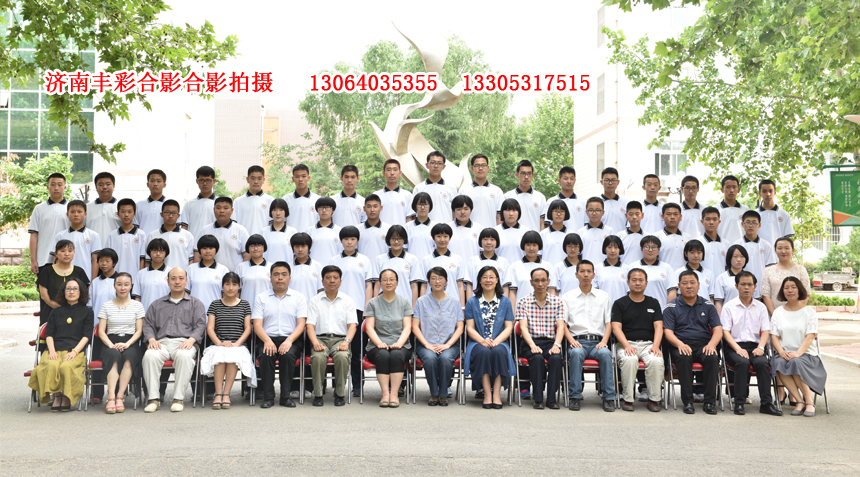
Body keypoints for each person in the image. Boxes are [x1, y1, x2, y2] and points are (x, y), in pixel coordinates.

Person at [142, 267, 206, 413]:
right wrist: (151, 339)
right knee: (150, 356)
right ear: (168, 281)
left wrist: (191, 340)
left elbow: (201, 325)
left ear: (186, 281)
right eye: (173, 278)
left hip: (184, 342)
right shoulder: (157, 304)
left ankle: (178, 399)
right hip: (162, 343)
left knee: (184, 357)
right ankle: (153, 399)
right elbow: (148, 324)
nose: (177, 281)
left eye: (181, 278)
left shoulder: (195, 303)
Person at [720, 271, 782, 416]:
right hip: (734, 347)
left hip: (755, 347)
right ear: (736, 286)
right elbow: (725, 332)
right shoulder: (729, 307)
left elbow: (766, 330)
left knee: (762, 363)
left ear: (755, 287)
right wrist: (737, 349)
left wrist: (761, 347)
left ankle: (766, 403)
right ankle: (739, 402)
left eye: (750, 284)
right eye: (743, 284)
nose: (746, 287)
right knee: (742, 362)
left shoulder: (761, 307)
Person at [662, 270, 722, 414]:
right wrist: (680, 344)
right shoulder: (671, 307)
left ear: (699, 285)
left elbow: (718, 330)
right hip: (680, 344)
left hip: (704, 344)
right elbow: (668, 332)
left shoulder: (708, 305)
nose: (689, 286)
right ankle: (688, 401)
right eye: (685, 283)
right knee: (683, 357)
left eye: (692, 283)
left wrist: (711, 345)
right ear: (679, 286)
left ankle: (709, 402)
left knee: (712, 357)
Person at [28, 277, 92, 411]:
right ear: (63, 292)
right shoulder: (55, 312)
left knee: (66, 367)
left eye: (75, 289)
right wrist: (52, 351)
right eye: (68, 289)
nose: (71, 292)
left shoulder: (87, 312)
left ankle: (67, 396)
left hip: (75, 351)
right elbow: (49, 334)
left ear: (81, 291)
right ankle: (57, 396)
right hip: (55, 349)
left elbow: (86, 336)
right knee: (52, 365)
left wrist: (74, 352)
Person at [560, 260, 616, 412]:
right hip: (577, 341)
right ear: (576, 274)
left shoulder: (603, 296)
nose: (586, 274)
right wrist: (571, 341)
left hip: (598, 341)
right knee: (576, 353)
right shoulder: (567, 297)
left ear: (593, 275)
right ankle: (575, 396)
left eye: (589, 271)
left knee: (605, 354)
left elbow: (609, 322)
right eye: (582, 271)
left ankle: (609, 397)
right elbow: (562, 323)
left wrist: (604, 341)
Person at [252, 262, 307, 408]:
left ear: (290, 278)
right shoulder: (261, 298)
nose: (280, 278)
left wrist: (289, 341)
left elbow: (301, 324)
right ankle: (268, 397)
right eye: (276, 275)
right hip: (266, 338)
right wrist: (267, 340)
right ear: (270, 278)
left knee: (287, 356)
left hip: (291, 339)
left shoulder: (298, 297)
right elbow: (257, 325)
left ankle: (285, 397)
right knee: (265, 355)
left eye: (284, 275)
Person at [770, 277, 827, 417]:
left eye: (793, 287)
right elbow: (774, 336)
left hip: (806, 355)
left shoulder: (809, 312)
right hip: (785, 353)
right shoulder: (778, 312)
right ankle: (800, 401)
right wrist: (781, 352)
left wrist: (797, 354)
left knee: (795, 362)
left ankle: (809, 402)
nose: (790, 290)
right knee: (778, 362)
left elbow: (810, 336)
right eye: (786, 288)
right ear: (782, 291)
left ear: (799, 289)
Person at [326, 226, 373, 397]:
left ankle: (358, 385)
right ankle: (337, 386)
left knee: (357, 351)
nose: (349, 242)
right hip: (337, 308)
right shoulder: (334, 260)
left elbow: (369, 285)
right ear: (341, 241)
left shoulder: (364, 260)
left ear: (357, 241)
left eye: (352, 239)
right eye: (346, 239)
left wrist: (367, 309)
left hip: (359, 309)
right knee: (338, 348)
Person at [611, 268, 664, 412]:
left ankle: (654, 399)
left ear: (646, 283)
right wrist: (626, 345)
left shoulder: (653, 303)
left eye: (641, 280)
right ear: (628, 282)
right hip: (626, 344)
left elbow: (659, 326)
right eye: (634, 280)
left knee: (656, 360)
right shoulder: (620, 303)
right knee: (629, 360)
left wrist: (656, 346)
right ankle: (628, 399)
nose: (637, 283)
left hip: (649, 345)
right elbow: (616, 328)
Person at [201, 272, 256, 410]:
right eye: (227, 284)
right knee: (220, 354)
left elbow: (248, 328)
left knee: (232, 355)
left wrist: (237, 343)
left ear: (239, 286)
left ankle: (226, 393)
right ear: (222, 286)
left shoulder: (245, 304)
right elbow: (210, 328)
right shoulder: (215, 304)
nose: (231, 288)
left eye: (234, 284)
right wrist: (219, 343)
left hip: (238, 345)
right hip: (218, 344)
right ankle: (218, 393)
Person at [464, 266, 516, 409]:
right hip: (477, 342)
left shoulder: (505, 302)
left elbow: (509, 327)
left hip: (500, 341)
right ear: (480, 281)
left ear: (497, 280)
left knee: (498, 351)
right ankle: (487, 393)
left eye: (491, 277)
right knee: (483, 352)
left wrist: (496, 341)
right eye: (485, 277)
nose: (488, 280)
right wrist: (482, 341)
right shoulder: (472, 302)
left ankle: (496, 394)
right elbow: (470, 328)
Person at [307, 265, 358, 407]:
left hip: (340, 339)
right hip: (320, 339)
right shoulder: (315, 300)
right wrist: (315, 343)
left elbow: (352, 326)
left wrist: (346, 342)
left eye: (335, 278)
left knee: (342, 356)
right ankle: (318, 394)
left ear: (340, 281)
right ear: (322, 281)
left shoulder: (347, 300)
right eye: (328, 277)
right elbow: (309, 326)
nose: (332, 280)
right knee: (318, 357)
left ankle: (340, 394)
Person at [413, 267, 464, 406]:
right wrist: (427, 344)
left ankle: (443, 394)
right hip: (426, 343)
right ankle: (434, 393)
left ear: (446, 281)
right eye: (434, 278)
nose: (437, 281)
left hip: (450, 344)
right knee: (430, 358)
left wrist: (447, 344)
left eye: (440, 278)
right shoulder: (421, 301)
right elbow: (415, 326)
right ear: (429, 282)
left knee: (446, 358)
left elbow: (460, 327)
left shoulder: (454, 302)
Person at [516, 268, 565, 410]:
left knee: (556, 359)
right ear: (531, 282)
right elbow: (523, 328)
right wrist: (532, 345)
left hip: (550, 342)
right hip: (530, 341)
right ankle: (537, 399)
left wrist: (557, 345)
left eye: (543, 280)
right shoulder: (523, 302)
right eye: (536, 281)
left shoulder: (558, 302)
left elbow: (561, 326)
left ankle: (551, 399)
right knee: (537, 358)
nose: (540, 284)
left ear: (548, 281)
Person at [364, 268, 413, 407]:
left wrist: (399, 343)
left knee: (396, 354)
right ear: (380, 283)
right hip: (377, 344)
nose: (388, 282)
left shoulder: (404, 302)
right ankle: (385, 394)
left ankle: (394, 394)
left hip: (401, 344)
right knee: (383, 355)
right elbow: (369, 327)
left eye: (391, 279)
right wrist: (379, 343)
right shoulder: (372, 303)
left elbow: (407, 327)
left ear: (397, 282)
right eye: (384, 280)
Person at [97, 272, 145, 414]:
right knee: (114, 356)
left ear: (131, 286)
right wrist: (111, 345)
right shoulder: (106, 306)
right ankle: (111, 397)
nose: (122, 288)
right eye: (119, 284)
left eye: (126, 284)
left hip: (131, 341)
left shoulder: (137, 306)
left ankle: (120, 397)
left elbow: (139, 331)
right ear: (114, 286)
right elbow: (101, 331)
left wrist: (127, 344)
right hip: (110, 341)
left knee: (129, 357)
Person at [37, 240, 90, 325]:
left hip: (75, 315)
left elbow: (83, 294)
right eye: (63, 251)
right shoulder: (47, 271)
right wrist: (59, 308)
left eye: (70, 251)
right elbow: (44, 296)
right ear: (56, 254)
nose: (67, 254)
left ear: (74, 253)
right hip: (51, 314)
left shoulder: (79, 271)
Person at [29, 173, 70, 275]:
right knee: (44, 286)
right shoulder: (39, 208)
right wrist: (33, 260)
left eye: (60, 184)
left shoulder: (71, 208)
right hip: (43, 259)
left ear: (65, 187)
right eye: (53, 184)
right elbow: (34, 235)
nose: (56, 188)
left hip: (67, 259)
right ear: (47, 187)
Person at [372, 225, 422, 307]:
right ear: (388, 240)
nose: (396, 242)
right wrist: (376, 306)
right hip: (383, 304)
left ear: (404, 240)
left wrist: (413, 308)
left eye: (399, 239)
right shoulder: (379, 259)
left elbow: (414, 286)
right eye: (393, 238)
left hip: (405, 304)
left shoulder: (412, 259)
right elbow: (377, 286)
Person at [196, 197, 250, 271]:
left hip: (234, 276)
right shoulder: (204, 231)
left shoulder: (241, 230)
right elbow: (197, 255)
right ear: (214, 210)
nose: (221, 211)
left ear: (232, 210)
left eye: (225, 208)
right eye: (218, 208)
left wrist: (239, 274)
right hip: (209, 275)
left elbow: (247, 256)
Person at [51, 199, 101, 279]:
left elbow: (95, 260)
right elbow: (56, 259)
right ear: (67, 214)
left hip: (85, 278)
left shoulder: (93, 235)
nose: (76, 214)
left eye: (79, 212)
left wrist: (92, 281)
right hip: (64, 278)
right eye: (72, 212)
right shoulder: (60, 236)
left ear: (85, 214)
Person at [505, 231, 557, 308]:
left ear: (539, 246)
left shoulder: (547, 266)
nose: (531, 248)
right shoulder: (515, 267)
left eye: (534, 245)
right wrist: (512, 313)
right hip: (521, 310)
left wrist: (551, 310)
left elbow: (551, 291)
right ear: (523, 246)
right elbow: (512, 293)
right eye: (528, 245)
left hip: (544, 310)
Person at [733, 210, 777, 298]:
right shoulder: (736, 245)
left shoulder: (766, 245)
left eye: (754, 223)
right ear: (742, 224)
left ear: (759, 225)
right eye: (747, 222)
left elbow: (771, 270)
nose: (750, 225)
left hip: (762, 290)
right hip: (742, 291)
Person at [762, 236, 810, 315]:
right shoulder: (768, 271)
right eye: (780, 248)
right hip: (774, 315)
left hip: (796, 315)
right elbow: (765, 295)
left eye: (787, 248)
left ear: (793, 250)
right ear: (775, 251)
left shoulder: (801, 270)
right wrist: (775, 315)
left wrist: (796, 312)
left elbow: (806, 294)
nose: (783, 251)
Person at [419, 223, 464, 306]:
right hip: (430, 304)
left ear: (449, 237)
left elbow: (460, 285)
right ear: (433, 238)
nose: (442, 240)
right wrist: (421, 305)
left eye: (445, 236)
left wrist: (462, 307)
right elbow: (424, 285)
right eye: (439, 236)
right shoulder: (426, 260)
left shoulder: (457, 259)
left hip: (452, 303)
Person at [146, 199, 195, 271]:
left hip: (180, 276)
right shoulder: (153, 235)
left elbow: (191, 260)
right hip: (159, 276)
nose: (171, 216)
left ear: (178, 215)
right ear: (161, 214)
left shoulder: (187, 235)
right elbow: (148, 260)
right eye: (167, 212)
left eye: (174, 213)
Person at [459, 154, 504, 227]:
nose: (480, 168)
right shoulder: (464, 191)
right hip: (470, 232)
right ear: (472, 168)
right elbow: (459, 215)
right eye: (477, 165)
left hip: (491, 232)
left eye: (483, 165)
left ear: (488, 168)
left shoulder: (497, 191)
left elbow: (499, 216)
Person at [464, 228, 510, 298]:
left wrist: (503, 303)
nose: (489, 242)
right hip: (476, 302)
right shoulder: (473, 260)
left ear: (497, 242)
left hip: (498, 302)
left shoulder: (503, 261)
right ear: (480, 241)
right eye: (485, 239)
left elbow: (505, 286)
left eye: (492, 239)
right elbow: (469, 285)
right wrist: (470, 303)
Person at [413, 150, 458, 224]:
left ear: (443, 167)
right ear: (427, 165)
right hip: (425, 228)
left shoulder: (451, 188)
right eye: (432, 163)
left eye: (439, 163)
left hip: (445, 228)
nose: (436, 166)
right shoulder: (419, 188)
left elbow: (455, 211)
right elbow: (414, 212)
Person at [186, 235, 230, 309]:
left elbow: (225, 295)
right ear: (199, 250)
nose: (208, 251)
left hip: (216, 312)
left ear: (216, 250)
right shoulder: (191, 269)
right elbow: (186, 293)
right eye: (204, 248)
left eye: (211, 248)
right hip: (194, 311)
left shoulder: (223, 270)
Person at [105, 198, 147, 275]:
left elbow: (142, 258)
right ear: (118, 214)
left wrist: (140, 276)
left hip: (134, 277)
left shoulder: (141, 234)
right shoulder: (112, 235)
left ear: (134, 214)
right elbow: (108, 258)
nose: (126, 214)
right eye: (123, 211)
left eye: (129, 212)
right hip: (116, 277)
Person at [503, 160, 547, 231]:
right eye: (523, 173)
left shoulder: (540, 197)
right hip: (514, 236)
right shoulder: (507, 196)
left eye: (529, 173)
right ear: (517, 175)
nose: (526, 177)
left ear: (533, 175)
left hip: (534, 237)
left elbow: (542, 223)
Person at [635, 235, 678, 307]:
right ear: (641, 249)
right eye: (647, 247)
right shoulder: (634, 266)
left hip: (661, 309)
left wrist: (668, 310)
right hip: (638, 309)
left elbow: (672, 291)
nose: (650, 250)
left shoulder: (666, 267)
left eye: (654, 247)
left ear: (658, 250)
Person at [233, 165, 274, 234]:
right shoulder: (238, 201)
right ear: (247, 179)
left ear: (263, 180)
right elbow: (234, 225)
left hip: (263, 239)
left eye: (259, 178)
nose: (256, 181)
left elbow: (272, 224)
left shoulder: (270, 200)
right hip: (244, 239)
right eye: (253, 178)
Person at [542, 166, 586, 231]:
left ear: (575, 180)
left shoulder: (583, 202)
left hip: (578, 237)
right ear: (559, 181)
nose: (569, 181)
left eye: (572, 179)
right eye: (565, 178)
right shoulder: (551, 202)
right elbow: (548, 224)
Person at [181, 166, 217, 243]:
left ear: (214, 181)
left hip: (214, 246)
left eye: (208, 180)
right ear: (197, 181)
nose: (205, 183)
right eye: (201, 180)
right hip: (193, 245)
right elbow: (184, 228)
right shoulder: (189, 204)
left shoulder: (220, 204)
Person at [132, 239, 170, 310]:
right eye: (155, 250)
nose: (158, 254)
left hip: (166, 313)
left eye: (161, 251)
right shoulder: (141, 273)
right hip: (145, 313)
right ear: (149, 252)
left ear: (166, 253)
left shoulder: (171, 272)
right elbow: (137, 297)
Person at [374, 159, 415, 226]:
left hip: (401, 232)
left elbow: (409, 219)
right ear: (383, 173)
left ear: (400, 173)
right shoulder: (376, 196)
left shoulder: (408, 195)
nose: (392, 173)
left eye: (395, 170)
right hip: (382, 232)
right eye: (389, 170)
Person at [236, 234, 273, 307]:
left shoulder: (271, 267)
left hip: (267, 307)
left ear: (264, 247)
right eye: (252, 246)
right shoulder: (241, 267)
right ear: (248, 248)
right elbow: (237, 291)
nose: (256, 248)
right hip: (246, 308)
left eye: (259, 245)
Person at [655, 203, 693, 270]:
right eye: (668, 214)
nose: (672, 217)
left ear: (680, 217)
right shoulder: (656, 237)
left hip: (685, 275)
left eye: (675, 214)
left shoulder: (688, 238)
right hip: (664, 274)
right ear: (662, 217)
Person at [283, 164, 320, 232]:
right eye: (297, 176)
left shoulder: (317, 200)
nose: (300, 179)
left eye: (303, 176)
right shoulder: (285, 200)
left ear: (308, 178)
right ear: (293, 179)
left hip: (311, 237)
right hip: (291, 237)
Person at [713, 244, 750, 316]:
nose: (739, 259)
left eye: (742, 256)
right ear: (729, 258)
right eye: (735, 256)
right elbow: (718, 302)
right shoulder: (721, 278)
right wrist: (720, 320)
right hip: (728, 315)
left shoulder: (750, 277)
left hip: (747, 316)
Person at [86, 172, 121, 245]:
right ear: (96, 187)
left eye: (108, 184)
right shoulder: (87, 208)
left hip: (115, 248)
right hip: (93, 248)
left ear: (114, 186)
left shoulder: (121, 207)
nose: (104, 187)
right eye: (100, 184)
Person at [578, 197, 615, 264]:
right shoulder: (580, 232)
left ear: (603, 212)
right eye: (591, 210)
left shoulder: (610, 231)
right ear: (586, 212)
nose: (594, 213)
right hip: (586, 268)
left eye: (598, 210)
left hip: (605, 268)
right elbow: (578, 254)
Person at [756, 179, 794, 245]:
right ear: (760, 193)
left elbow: (787, 239)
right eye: (764, 191)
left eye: (770, 191)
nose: (768, 194)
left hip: (778, 251)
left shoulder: (784, 214)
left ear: (775, 192)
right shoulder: (755, 214)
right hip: (760, 250)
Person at [260, 198, 297, 264]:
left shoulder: (292, 232)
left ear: (286, 212)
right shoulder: (264, 232)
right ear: (271, 212)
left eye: (281, 210)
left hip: (287, 269)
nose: (277, 213)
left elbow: (296, 254)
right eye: (274, 210)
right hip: (267, 269)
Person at [447, 195, 483, 263]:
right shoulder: (447, 228)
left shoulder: (479, 228)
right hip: (452, 266)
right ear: (453, 211)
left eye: (466, 209)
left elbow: (482, 251)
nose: (462, 212)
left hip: (473, 266)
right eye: (459, 209)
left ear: (471, 210)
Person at [594, 235, 630, 303]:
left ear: (620, 249)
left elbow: (630, 291)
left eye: (616, 247)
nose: (613, 251)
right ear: (605, 249)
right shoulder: (597, 269)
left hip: (622, 306)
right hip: (602, 305)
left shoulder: (627, 269)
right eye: (609, 247)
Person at [307, 196, 343, 263]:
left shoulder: (339, 231)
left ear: (333, 210)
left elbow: (341, 252)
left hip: (333, 266)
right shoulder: (310, 231)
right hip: (314, 267)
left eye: (327, 208)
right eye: (321, 207)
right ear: (317, 210)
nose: (324, 210)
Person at [358, 194, 392, 262]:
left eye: (375, 206)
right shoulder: (357, 229)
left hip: (383, 267)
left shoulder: (389, 229)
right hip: (363, 266)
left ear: (381, 208)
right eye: (369, 207)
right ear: (364, 209)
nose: (372, 210)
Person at [134, 169, 169, 236]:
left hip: (164, 241)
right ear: (148, 184)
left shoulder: (170, 206)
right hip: (144, 241)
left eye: (158, 181)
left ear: (164, 185)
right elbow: (135, 227)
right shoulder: (139, 205)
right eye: (152, 181)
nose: (155, 184)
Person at [716, 175, 749, 244]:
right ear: (722, 190)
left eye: (734, 187)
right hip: (721, 247)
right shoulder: (715, 209)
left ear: (738, 190)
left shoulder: (745, 210)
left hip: (741, 247)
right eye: (728, 187)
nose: (731, 190)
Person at [696, 206, 727, 279]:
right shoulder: (697, 243)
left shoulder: (726, 244)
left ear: (719, 222)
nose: (711, 222)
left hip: (721, 283)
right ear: (702, 222)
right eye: (707, 219)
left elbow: (728, 266)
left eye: (714, 219)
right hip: (702, 282)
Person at [493, 199, 527, 265]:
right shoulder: (494, 232)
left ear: (519, 212)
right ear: (502, 212)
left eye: (514, 210)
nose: (511, 214)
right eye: (507, 210)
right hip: (499, 269)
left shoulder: (526, 232)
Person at [405, 192, 435, 261]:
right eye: (419, 204)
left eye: (425, 204)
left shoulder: (435, 227)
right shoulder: (407, 227)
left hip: (431, 265)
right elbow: (404, 249)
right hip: (412, 264)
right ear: (414, 206)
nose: (422, 207)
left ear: (430, 206)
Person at [540, 200, 571, 266]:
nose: (558, 214)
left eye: (561, 211)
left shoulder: (571, 234)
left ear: (566, 213)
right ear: (550, 213)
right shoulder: (542, 234)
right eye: (555, 211)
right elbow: (539, 255)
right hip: (547, 270)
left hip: (565, 270)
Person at [598, 167, 628, 232]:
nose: (610, 183)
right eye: (607, 180)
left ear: (618, 182)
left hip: (621, 238)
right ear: (601, 182)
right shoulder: (596, 203)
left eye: (613, 180)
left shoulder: (626, 203)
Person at [618, 201, 645, 265]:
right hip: (625, 270)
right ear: (626, 216)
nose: (634, 217)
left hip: (642, 270)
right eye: (631, 214)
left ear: (642, 215)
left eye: (637, 214)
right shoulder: (619, 236)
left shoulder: (648, 237)